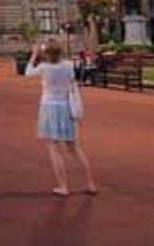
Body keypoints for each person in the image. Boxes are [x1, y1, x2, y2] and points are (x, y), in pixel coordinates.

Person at [25, 39, 99, 197]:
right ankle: (90, 183)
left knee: (54, 148)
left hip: (50, 107)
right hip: (66, 107)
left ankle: (63, 186)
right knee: (74, 148)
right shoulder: (68, 65)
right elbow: (72, 82)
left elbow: (28, 72)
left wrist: (34, 54)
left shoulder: (44, 67)